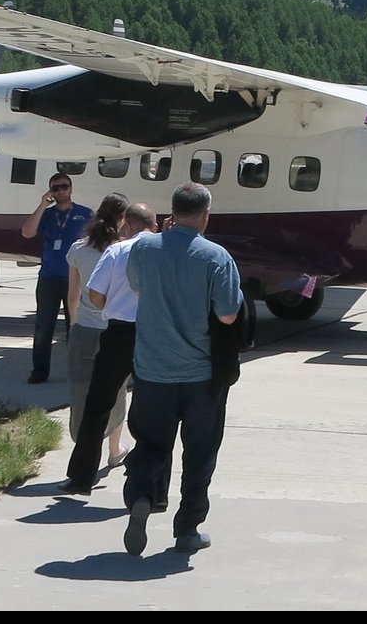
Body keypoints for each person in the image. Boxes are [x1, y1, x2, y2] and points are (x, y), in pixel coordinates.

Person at [122, 182, 243, 556]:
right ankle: (187, 530)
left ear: (171, 213)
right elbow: (227, 313)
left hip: (152, 370)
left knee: (151, 444)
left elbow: (136, 287)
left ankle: (142, 497)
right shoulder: (216, 257)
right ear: (206, 214)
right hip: (200, 377)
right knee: (199, 454)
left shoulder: (144, 247)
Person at [60, 201, 160, 496]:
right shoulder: (162, 251)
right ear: (153, 225)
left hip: (118, 333)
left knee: (97, 405)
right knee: (153, 404)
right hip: (153, 333)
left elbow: (94, 294)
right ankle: (148, 476)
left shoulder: (117, 251)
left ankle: (82, 476)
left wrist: (111, 308)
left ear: (126, 225)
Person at [64, 192, 129, 470]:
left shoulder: (79, 249)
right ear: (122, 219)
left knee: (81, 391)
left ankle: (83, 448)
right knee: (116, 391)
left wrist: (74, 326)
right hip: (114, 330)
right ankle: (114, 449)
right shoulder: (123, 250)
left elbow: (73, 296)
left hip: (85, 329)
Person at [20, 173, 92, 384]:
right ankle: (39, 371)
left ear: (71, 188)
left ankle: (76, 371)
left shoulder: (85, 214)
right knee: (44, 326)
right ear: (51, 191)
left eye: (64, 186)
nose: (61, 191)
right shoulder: (48, 215)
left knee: (75, 326)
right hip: (49, 278)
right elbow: (27, 232)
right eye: (56, 188)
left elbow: (96, 241)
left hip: (74, 278)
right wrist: (42, 205)